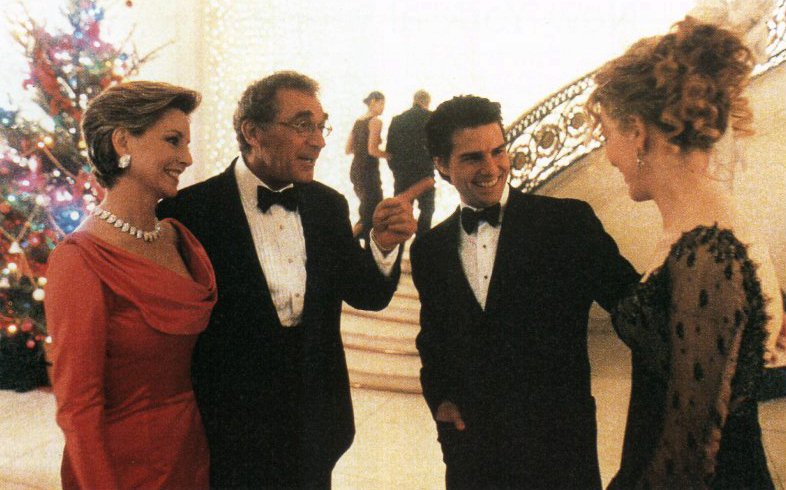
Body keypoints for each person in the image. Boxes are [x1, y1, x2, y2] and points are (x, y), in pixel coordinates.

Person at [157, 71, 417, 488]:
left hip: (317, 432)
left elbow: (367, 294)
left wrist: (383, 245)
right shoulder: (188, 213)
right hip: (228, 437)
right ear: (253, 132)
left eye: (320, 126)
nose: (318, 141)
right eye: (302, 125)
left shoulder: (328, 206)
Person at [588, 17, 784, 489]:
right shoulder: (696, 233)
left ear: (637, 132)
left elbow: (687, 461)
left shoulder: (707, 255)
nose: (608, 155)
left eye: (607, 134)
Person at [411, 95, 640, 489]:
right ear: (442, 165)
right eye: (472, 158)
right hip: (473, 456)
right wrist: (441, 400)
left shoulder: (567, 223)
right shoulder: (429, 249)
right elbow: (433, 340)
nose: (491, 168)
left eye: (498, 151)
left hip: (559, 454)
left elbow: (632, 302)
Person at [44, 81, 216, 489]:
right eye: (173, 141)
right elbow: (78, 410)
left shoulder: (181, 240)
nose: (187, 158)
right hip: (122, 470)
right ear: (123, 142)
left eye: (187, 143)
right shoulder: (79, 260)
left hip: (191, 456)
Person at [387, 89, 435, 236]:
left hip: (402, 174)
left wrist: (396, 171)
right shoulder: (432, 118)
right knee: (427, 209)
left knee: (400, 212)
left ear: (414, 100)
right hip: (424, 174)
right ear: (427, 102)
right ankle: (421, 241)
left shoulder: (397, 120)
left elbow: (390, 151)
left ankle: (398, 245)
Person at [346, 90, 389, 241]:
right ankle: (345, 243)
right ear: (373, 102)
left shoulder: (358, 121)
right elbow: (373, 150)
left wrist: (361, 150)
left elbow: (348, 149)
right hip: (368, 171)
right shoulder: (376, 121)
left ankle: (355, 245)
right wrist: (390, 155)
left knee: (367, 212)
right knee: (372, 213)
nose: (383, 107)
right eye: (381, 103)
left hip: (355, 170)